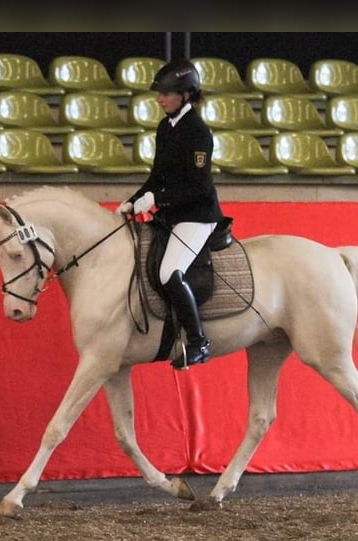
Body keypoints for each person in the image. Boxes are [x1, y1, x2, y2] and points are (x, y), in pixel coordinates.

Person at [116, 59, 225, 370]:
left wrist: (157, 199)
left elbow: (199, 187)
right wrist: (135, 198)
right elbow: (157, 176)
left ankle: (198, 342)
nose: (159, 98)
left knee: (168, 273)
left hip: (197, 216)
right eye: (160, 93)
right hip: (172, 212)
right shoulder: (166, 127)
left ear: (186, 95)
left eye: (166, 93)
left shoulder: (198, 132)